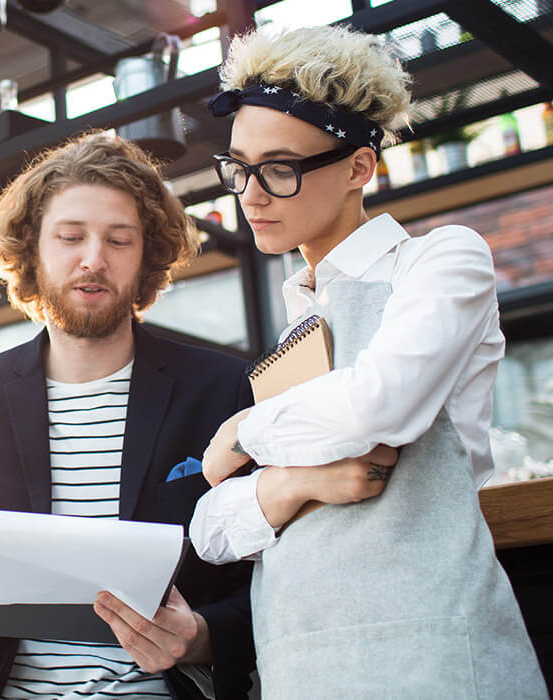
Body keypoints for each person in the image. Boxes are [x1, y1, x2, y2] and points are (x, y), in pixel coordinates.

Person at [188, 24, 548, 698]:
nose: (251, 194)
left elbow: (382, 403)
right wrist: (292, 486)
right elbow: (210, 527)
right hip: (298, 664)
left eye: (280, 169)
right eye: (238, 167)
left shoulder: (441, 260)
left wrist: (246, 431)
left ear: (359, 167)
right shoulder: (295, 326)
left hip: (431, 657)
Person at [0, 133, 262, 700]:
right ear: (32, 249)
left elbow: (269, 580)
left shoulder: (223, 390)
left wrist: (199, 637)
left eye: (119, 240)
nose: (94, 258)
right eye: (70, 237)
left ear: (146, 257)